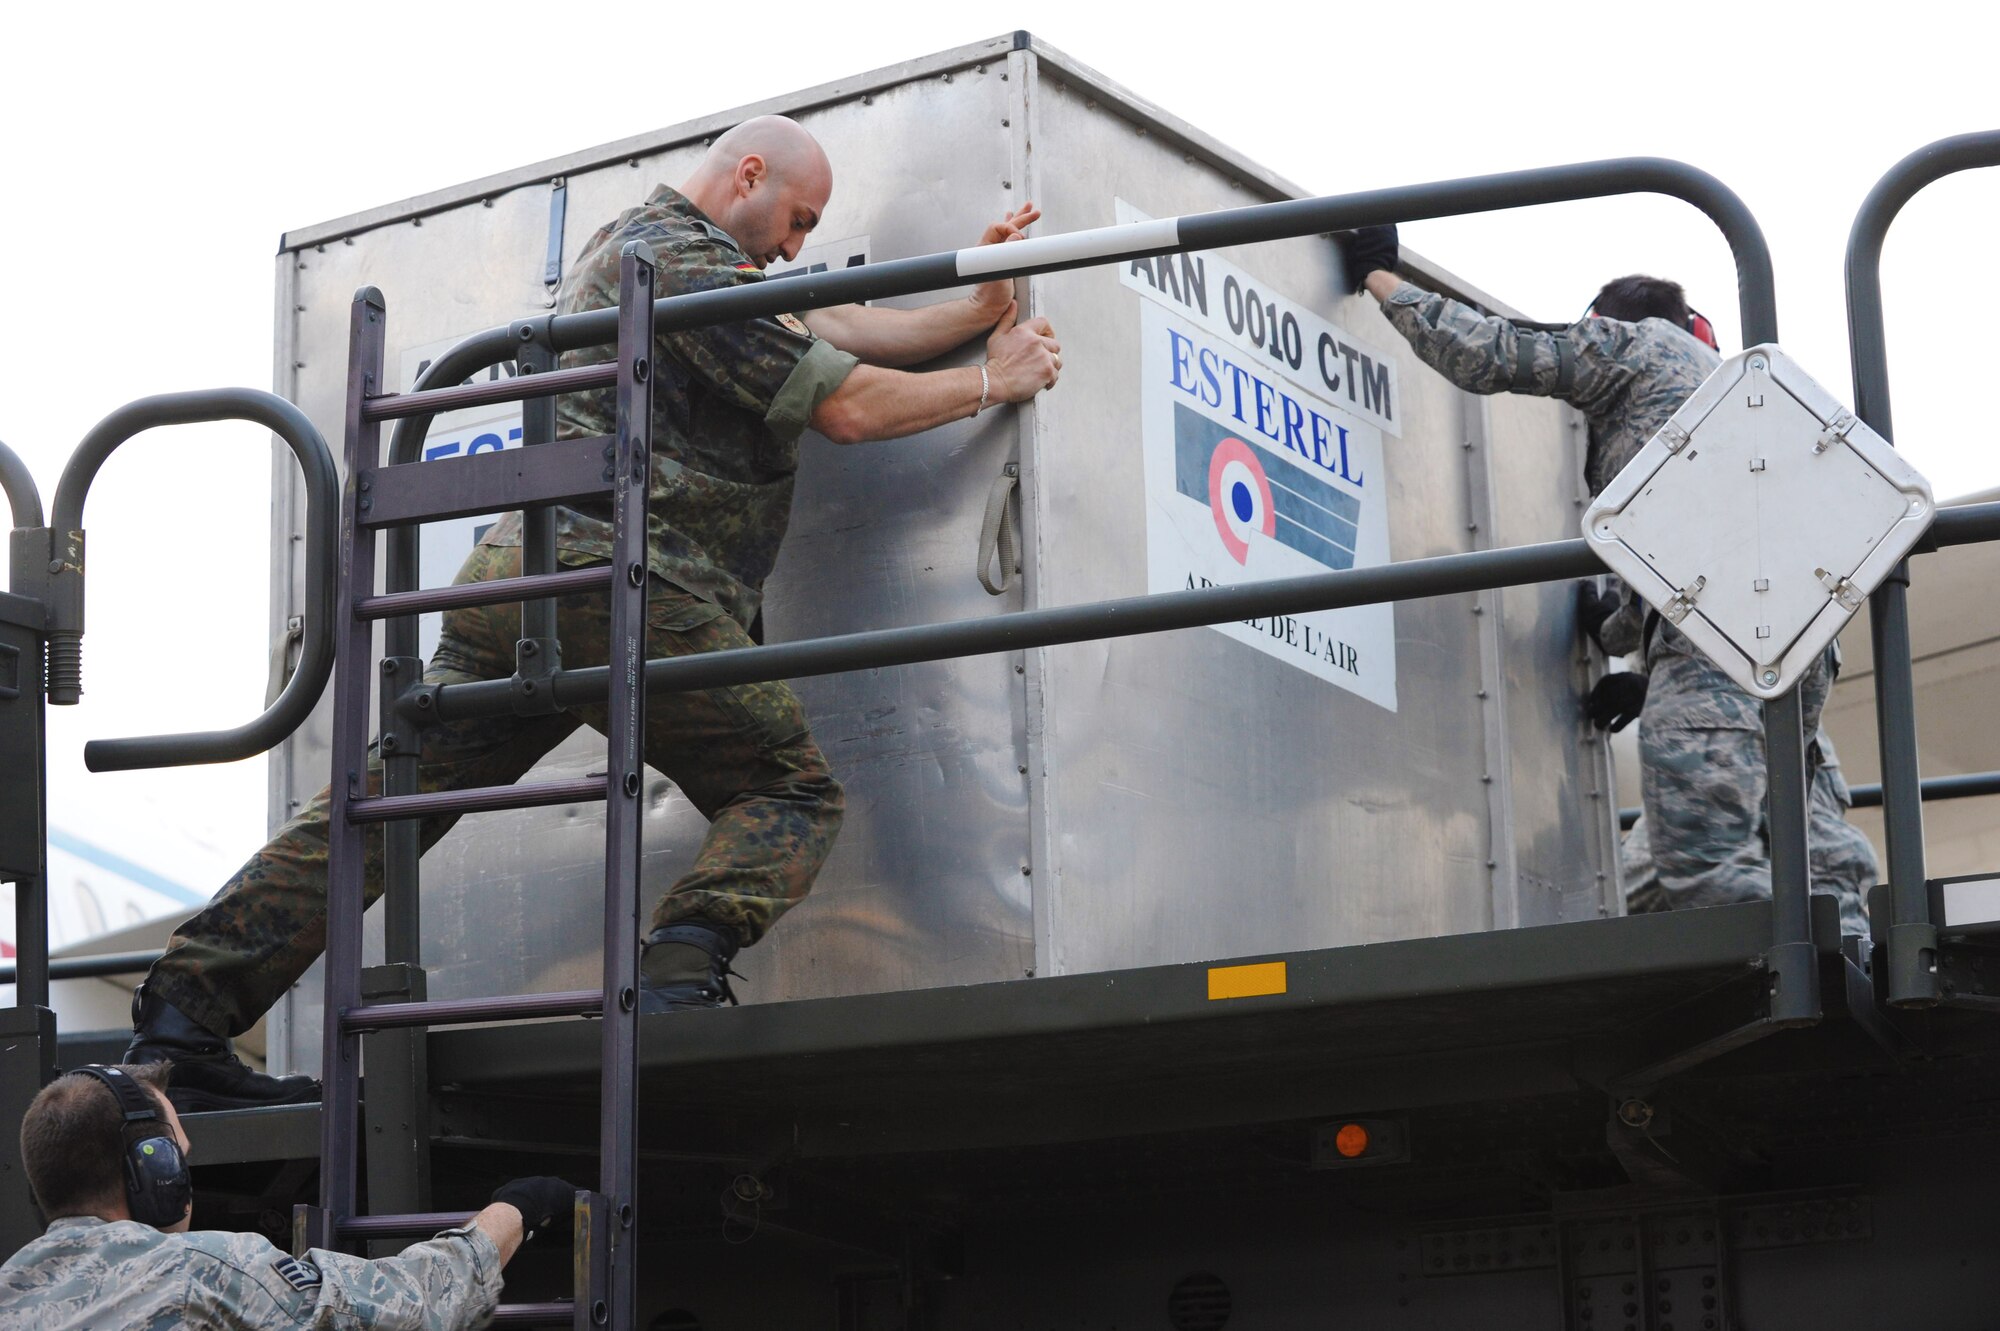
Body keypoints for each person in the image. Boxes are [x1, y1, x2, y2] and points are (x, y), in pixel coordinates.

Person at [125, 115, 1065, 1111]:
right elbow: (847, 405)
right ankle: (673, 973)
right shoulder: (691, 270)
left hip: (516, 586)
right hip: (624, 583)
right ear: (748, 173)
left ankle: (183, 1014)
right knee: (789, 788)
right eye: (795, 219)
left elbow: (827, 325)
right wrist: (988, 381)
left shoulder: (643, 250)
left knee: (380, 805)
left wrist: (975, 306)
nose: (796, 246)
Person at [1341, 225, 1877, 925]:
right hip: (1797, 645)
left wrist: (1382, 276)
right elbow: (1697, 556)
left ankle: (1809, 982)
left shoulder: (1632, 345)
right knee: (1800, 849)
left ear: (1601, 323)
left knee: (1707, 866)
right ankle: (1858, 954)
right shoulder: (1728, 393)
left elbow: (1489, 354)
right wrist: (1623, 636)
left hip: (1715, 640)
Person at [0, 1061, 574, 1329]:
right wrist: (519, 1207)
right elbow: (416, 1303)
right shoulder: (199, 1272)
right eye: (181, 1153)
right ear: (157, 1170)